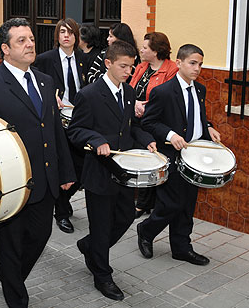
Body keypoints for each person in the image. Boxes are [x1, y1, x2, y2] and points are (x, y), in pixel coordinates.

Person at [0, 18, 76, 308]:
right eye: (21, 41)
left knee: (40, 237)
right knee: (11, 245)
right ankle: (17, 297)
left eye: (30, 38)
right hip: (11, 184)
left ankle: (8, 274)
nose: (30, 44)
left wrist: (65, 170)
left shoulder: (45, 80)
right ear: (5, 49)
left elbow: (53, 130)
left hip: (45, 180)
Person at [67, 41, 156, 301]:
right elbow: (75, 131)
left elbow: (131, 127)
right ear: (108, 64)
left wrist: (146, 138)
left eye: (131, 66)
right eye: (123, 66)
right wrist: (96, 141)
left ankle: (89, 246)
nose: (128, 71)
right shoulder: (89, 94)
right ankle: (102, 274)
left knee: (127, 215)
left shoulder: (128, 93)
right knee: (102, 225)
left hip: (124, 172)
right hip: (100, 173)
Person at [137, 44, 221, 266]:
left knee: (187, 205)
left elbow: (196, 117)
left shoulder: (200, 90)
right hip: (172, 155)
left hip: (193, 157)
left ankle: (182, 247)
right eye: (193, 63)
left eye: (200, 64)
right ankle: (146, 230)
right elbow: (149, 122)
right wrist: (170, 134)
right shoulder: (163, 92)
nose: (197, 69)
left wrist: (209, 126)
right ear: (179, 63)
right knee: (170, 204)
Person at [33, 18, 85, 234]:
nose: (66, 36)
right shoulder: (46, 59)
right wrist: (48, 96)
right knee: (63, 165)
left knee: (81, 168)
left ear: (76, 36)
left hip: (80, 120)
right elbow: (32, 81)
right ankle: (61, 213)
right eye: (62, 32)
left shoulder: (84, 58)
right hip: (56, 120)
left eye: (71, 32)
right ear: (57, 36)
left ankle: (63, 198)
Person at [130, 32, 178, 218]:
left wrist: (146, 106)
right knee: (141, 159)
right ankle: (143, 202)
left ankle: (143, 204)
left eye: (145, 48)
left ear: (156, 51)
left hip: (157, 121)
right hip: (137, 118)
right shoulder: (142, 67)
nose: (141, 50)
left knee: (151, 159)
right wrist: (134, 103)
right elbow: (130, 89)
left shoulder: (171, 70)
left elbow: (167, 96)